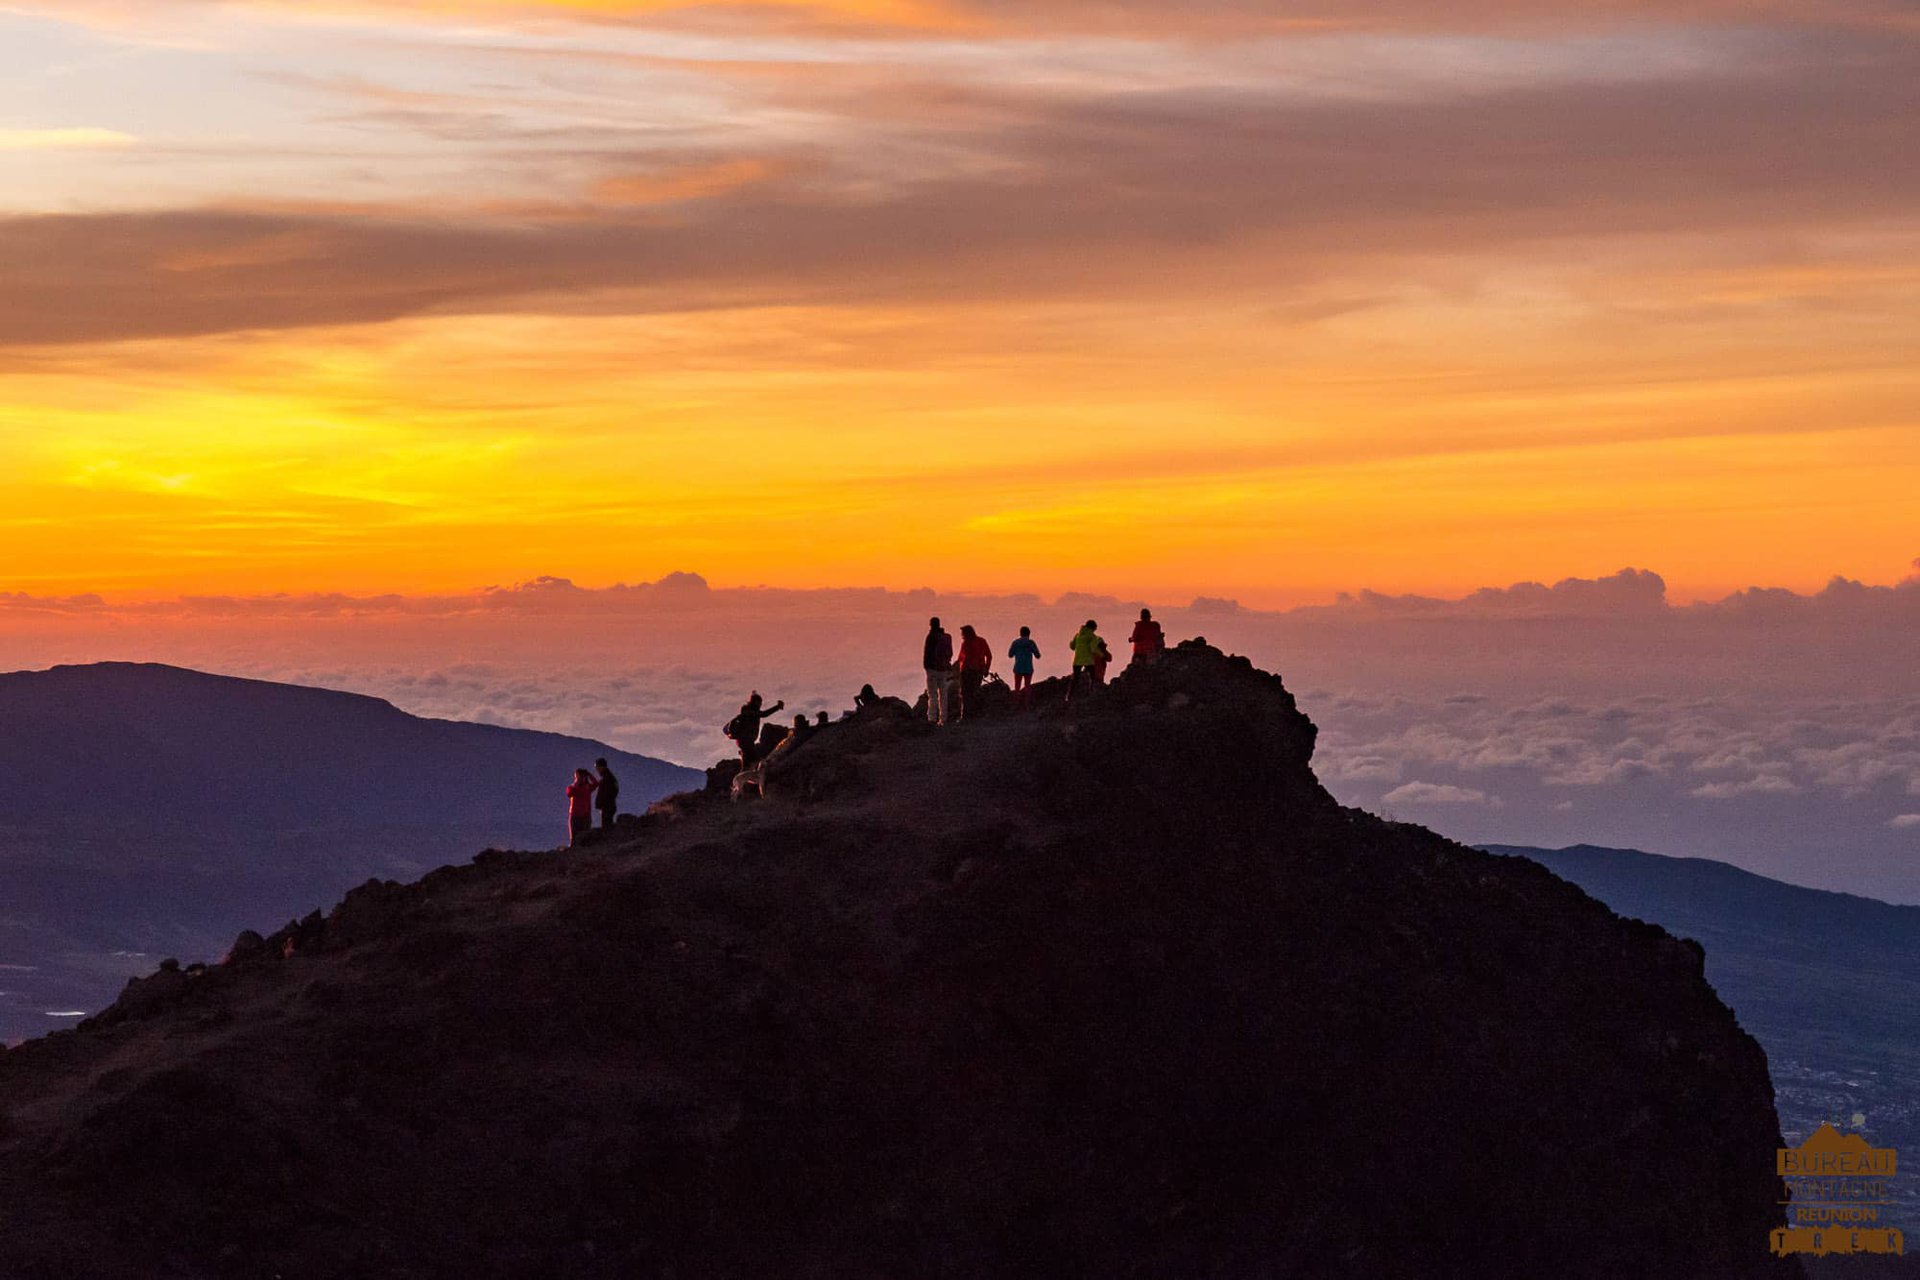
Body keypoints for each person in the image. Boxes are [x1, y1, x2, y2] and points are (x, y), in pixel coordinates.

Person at [726, 691, 784, 767]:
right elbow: (764, 714)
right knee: (753, 760)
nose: (760, 704)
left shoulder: (748, 711)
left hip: (744, 740)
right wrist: (777, 707)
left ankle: (746, 774)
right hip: (746, 740)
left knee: (751, 760)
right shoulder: (751, 712)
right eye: (760, 702)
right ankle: (746, 776)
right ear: (756, 702)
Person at [922, 617, 955, 726]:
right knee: (943, 693)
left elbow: (927, 654)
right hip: (943, 669)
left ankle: (932, 718)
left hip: (932, 669)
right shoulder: (945, 637)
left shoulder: (931, 637)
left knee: (932, 695)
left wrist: (926, 667)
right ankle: (943, 718)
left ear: (931, 624)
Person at [1068, 619, 1103, 702]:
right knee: (1092, 677)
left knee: (1075, 679)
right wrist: (1101, 655)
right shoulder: (1092, 636)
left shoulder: (1077, 635)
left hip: (1077, 660)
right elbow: (1093, 649)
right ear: (1093, 628)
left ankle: (1069, 696)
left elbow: (1072, 646)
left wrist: (1072, 643)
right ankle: (1091, 693)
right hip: (1088, 660)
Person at [1007, 626, 1041, 709]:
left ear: (1020, 633)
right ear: (1029, 634)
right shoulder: (1031, 643)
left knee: (1017, 687)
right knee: (1027, 686)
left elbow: (1010, 655)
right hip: (1028, 667)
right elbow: (1038, 655)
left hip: (1018, 667)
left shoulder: (1015, 642)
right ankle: (1027, 705)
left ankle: (1015, 705)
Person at [565, 767, 598, 847]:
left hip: (584, 815)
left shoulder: (586, 788)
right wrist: (588, 775)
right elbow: (569, 793)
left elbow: (596, 783)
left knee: (585, 837)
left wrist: (588, 775)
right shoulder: (574, 788)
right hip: (576, 815)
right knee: (574, 837)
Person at [594, 757, 621, 830]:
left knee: (606, 828)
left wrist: (602, 803)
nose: (596, 769)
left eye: (597, 767)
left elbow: (606, 793)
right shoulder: (609, 778)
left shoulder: (607, 778)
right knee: (607, 826)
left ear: (602, 767)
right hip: (609, 806)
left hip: (607, 807)